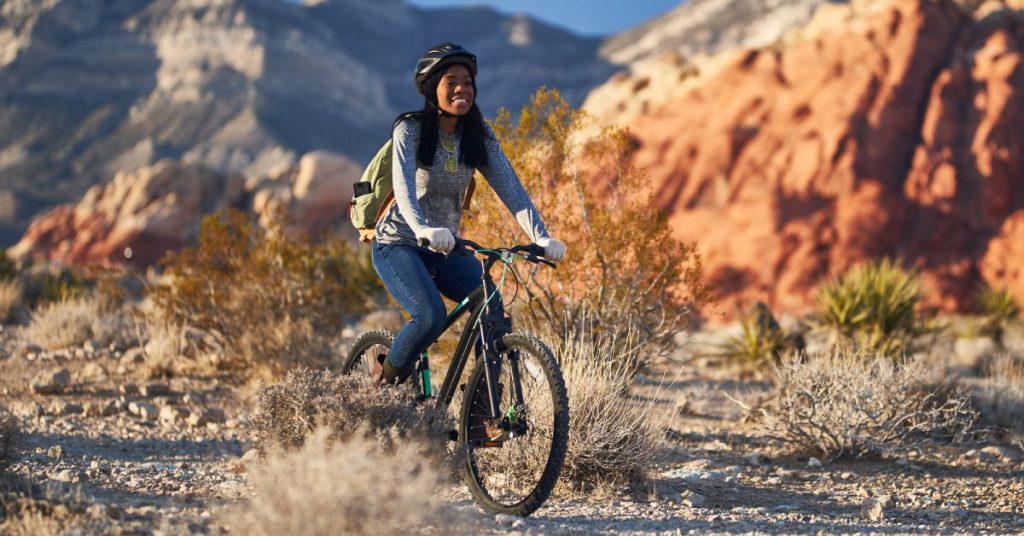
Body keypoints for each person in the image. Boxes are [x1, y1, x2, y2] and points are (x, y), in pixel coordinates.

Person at [370, 42, 566, 384]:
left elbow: (513, 191)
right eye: (451, 81)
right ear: (433, 89)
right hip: (398, 242)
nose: (462, 88)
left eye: (467, 80)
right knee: (429, 317)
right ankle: (380, 384)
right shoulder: (410, 130)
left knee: (491, 310)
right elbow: (402, 189)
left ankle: (481, 419)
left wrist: (540, 235)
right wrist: (422, 228)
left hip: (446, 247)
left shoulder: (478, 136)